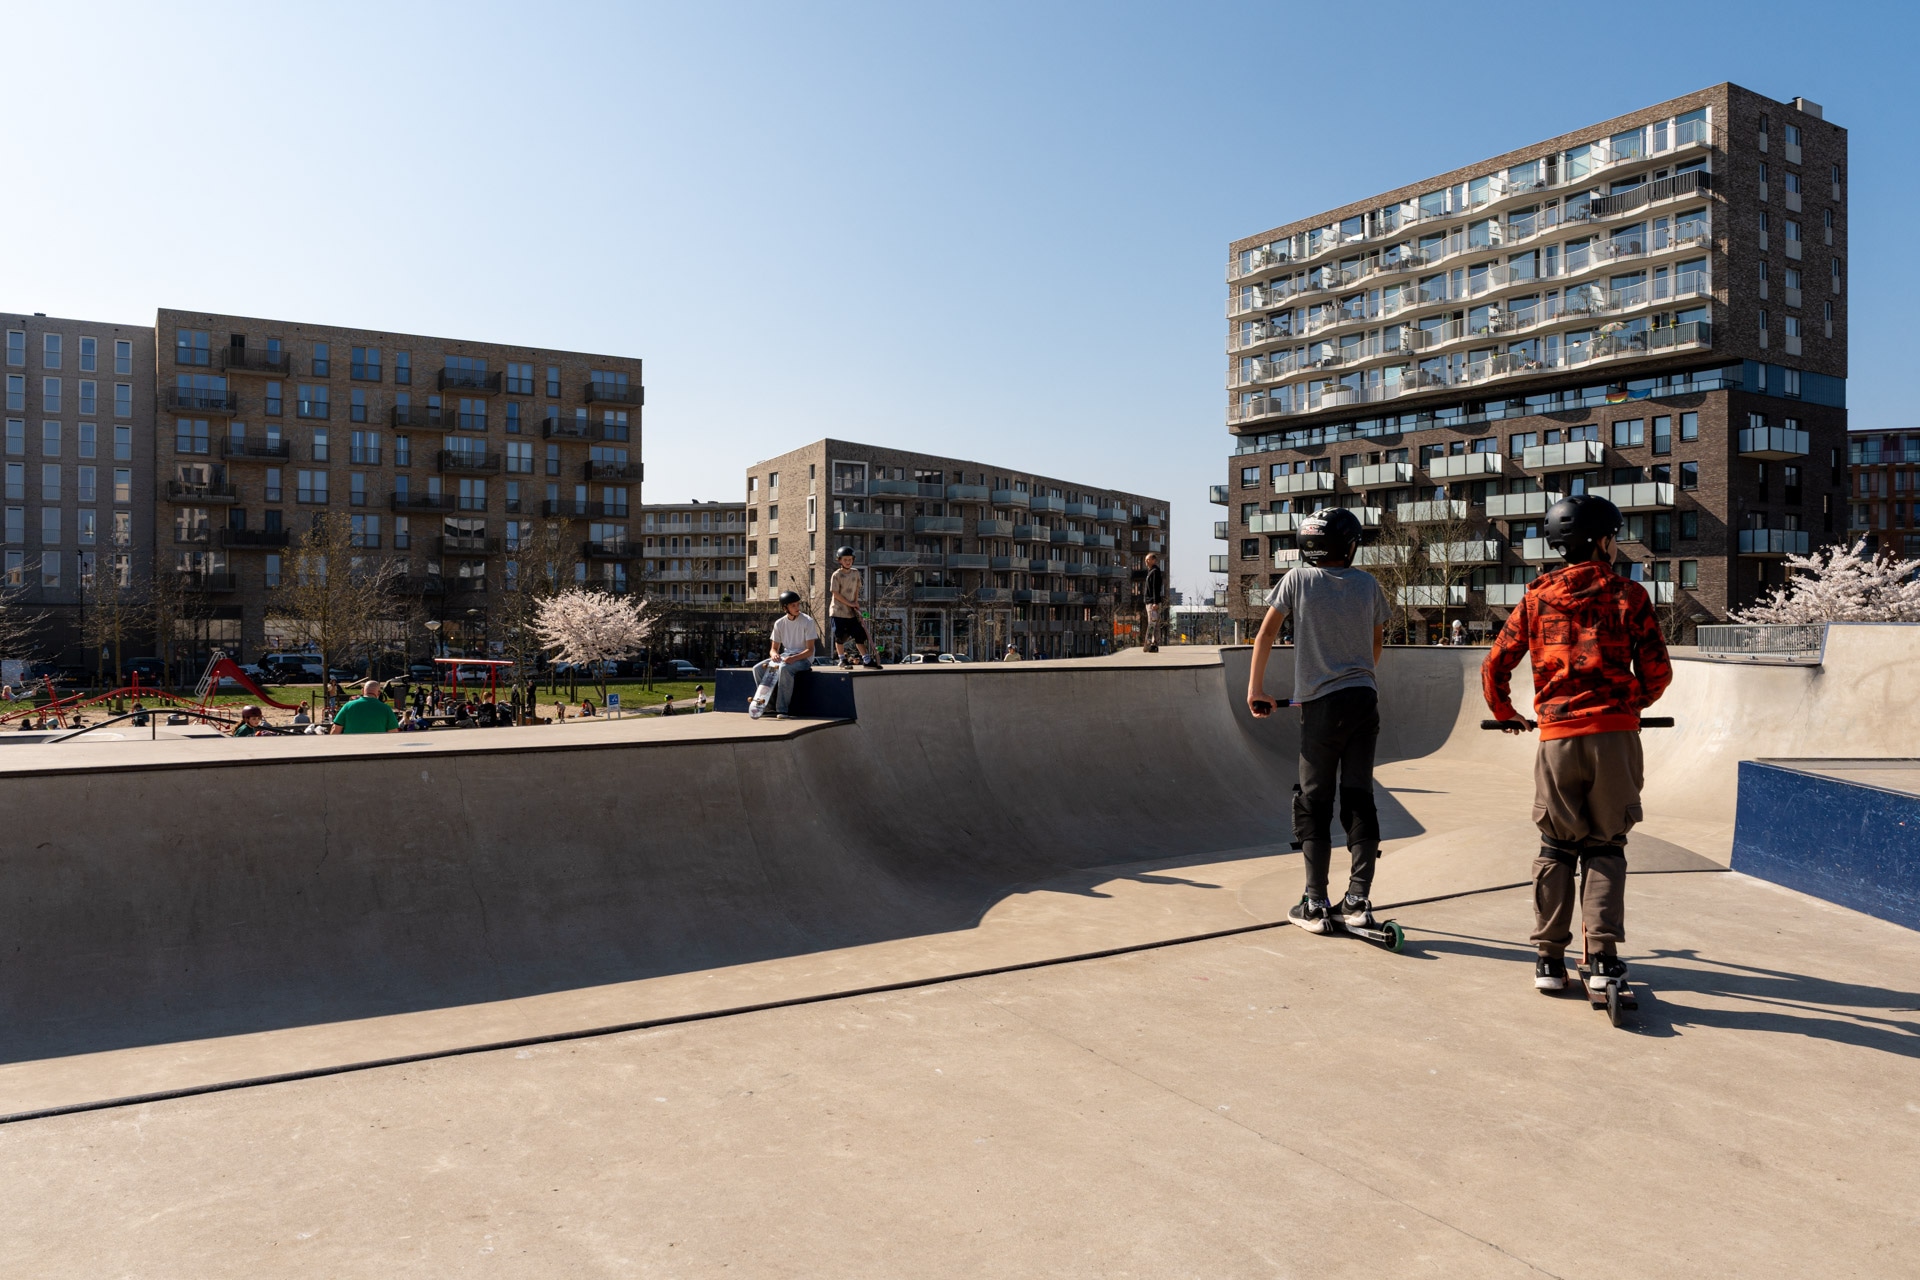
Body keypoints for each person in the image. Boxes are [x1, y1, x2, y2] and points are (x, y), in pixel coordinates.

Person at [1481, 495, 1673, 994]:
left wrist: (1507, 714)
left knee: (1556, 845)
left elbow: (1495, 664)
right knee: (1607, 846)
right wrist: (1632, 705)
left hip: (1558, 738)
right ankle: (1604, 958)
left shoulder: (1536, 597)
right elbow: (1658, 670)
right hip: (1616, 736)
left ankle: (1549, 959)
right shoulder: (1629, 594)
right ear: (1604, 541)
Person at [1244, 508, 1392, 936]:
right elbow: (1376, 640)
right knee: (1359, 796)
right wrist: (1358, 674)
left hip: (1320, 709)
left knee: (1313, 801)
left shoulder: (1297, 580)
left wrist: (1256, 689)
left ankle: (1314, 901)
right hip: (1364, 700)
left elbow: (1267, 634)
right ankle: (1358, 900)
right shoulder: (1367, 584)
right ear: (1349, 546)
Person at [751, 590, 821, 720]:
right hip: (785, 656)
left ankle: (782, 709)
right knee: (757, 669)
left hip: (803, 659)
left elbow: (810, 650)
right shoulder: (779, 623)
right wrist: (774, 655)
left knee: (784, 669)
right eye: (793, 605)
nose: (797, 608)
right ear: (785, 608)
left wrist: (793, 658)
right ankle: (768, 705)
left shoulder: (807, 621)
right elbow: (773, 649)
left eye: (798, 604)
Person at [827, 547, 879, 668]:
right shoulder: (836, 575)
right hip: (838, 611)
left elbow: (856, 589)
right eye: (845, 559)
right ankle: (842, 659)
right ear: (840, 560)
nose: (848, 562)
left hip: (851, 612)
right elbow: (835, 594)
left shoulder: (855, 573)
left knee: (859, 634)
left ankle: (866, 660)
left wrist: (855, 602)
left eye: (850, 559)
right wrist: (850, 603)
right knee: (840, 636)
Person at [330, 680, 401, 735]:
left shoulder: (348, 706)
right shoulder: (386, 709)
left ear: (363, 690)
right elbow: (393, 732)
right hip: (377, 749)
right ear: (378, 693)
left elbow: (335, 729)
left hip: (351, 748)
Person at [1140, 553, 1166, 653]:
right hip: (1150, 602)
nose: (1146, 561)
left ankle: (1149, 643)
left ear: (1154, 560)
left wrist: (1155, 602)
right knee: (1154, 624)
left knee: (1152, 623)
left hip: (1152, 603)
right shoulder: (1151, 571)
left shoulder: (1155, 572)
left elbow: (1156, 588)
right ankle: (1154, 644)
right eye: (1146, 560)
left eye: (1148, 560)